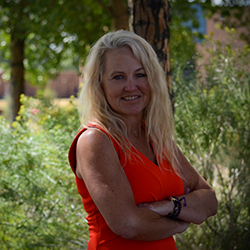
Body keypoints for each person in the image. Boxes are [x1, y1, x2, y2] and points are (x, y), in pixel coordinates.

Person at [68, 30, 218, 250]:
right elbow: (129, 225)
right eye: (118, 77)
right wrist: (181, 221)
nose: (131, 86)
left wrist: (170, 207)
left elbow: (210, 201)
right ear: (100, 85)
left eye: (140, 74)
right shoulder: (95, 140)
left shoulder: (156, 137)